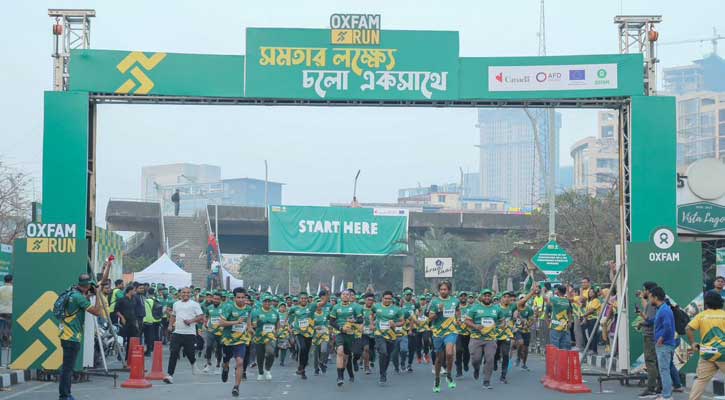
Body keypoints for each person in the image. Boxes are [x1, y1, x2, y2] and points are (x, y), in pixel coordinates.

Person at [59, 260, 110, 400]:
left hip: (66, 335)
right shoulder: (79, 298)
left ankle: (65, 394)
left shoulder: (73, 292)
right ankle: (64, 395)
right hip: (71, 337)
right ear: (86, 286)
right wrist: (98, 297)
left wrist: (108, 266)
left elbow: (102, 282)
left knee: (67, 368)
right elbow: (97, 311)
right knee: (67, 369)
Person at [686, 291, 725, 400]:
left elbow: (688, 328)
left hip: (707, 353)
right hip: (723, 353)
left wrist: (693, 343)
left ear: (706, 303)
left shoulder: (702, 315)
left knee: (701, 380)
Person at [164, 287, 204, 384]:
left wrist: (191, 321)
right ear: (180, 294)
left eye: (187, 292)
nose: (185, 294)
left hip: (189, 333)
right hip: (177, 332)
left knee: (189, 353)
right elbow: (173, 315)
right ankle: (170, 375)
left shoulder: (195, 304)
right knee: (174, 352)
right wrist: (170, 325)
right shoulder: (176, 304)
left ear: (191, 294)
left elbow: (201, 316)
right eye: (183, 292)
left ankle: (193, 364)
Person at [219, 287, 252, 397]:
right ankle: (225, 368)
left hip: (240, 340)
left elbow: (248, 322)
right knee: (226, 361)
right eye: (238, 297)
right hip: (228, 340)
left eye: (243, 297)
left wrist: (250, 328)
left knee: (239, 362)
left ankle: (236, 387)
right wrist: (236, 322)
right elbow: (221, 323)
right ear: (234, 298)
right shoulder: (228, 307)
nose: (241, 300)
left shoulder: (248, 309)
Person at [428, 280, 460, 393]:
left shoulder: (455, 300)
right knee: (439, 359)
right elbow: (430, 318)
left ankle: (449, 375)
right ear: (439, 290)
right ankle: (437, 379)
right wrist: (438, 311)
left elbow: (457, 312)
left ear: (449, 290)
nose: (443, 291)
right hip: (437, 332)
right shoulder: (434, 302)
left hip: (451, 331)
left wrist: (459, 320)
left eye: (445, 289)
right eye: (441, 289)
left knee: (450, 353)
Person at [466, 288, 500, 389]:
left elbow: (502, 321)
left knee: (490, 359)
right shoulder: (475, 308)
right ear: (481, 297)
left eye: (489, 295)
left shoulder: (496, 309)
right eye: (485, 295)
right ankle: (476, 369)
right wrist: (476, 326)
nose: (487, 297)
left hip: (490, 339)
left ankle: (486, 381)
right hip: (476, 338)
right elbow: (467, 321)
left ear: (491, 297)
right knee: (476, 359)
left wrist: (501, 325)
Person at [329, 289, 363, 386]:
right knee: (340, 352)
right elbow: (331, 321)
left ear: (350, 296)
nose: (345, 296)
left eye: (347, 294)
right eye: (343, 294)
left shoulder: (355, 307)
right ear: (341, 296)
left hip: (351, 333)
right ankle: (340, 377)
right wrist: (340, 328)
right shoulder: (335, 307)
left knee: (347, 357)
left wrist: (354, 320)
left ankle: (350, 373)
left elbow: (360, 320)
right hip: (339, 332)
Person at [370, 290, 404, 385]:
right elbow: (371, 315)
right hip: (379, 333)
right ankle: (382, 375)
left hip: (391, 335)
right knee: (383, 352)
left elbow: (402, 322)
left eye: (389, 299)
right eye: (386, 298)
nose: (387, 300)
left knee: (388, 355)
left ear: (392, 299)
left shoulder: (397, 309)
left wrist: (395, 324)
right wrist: (372, 324)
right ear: (382, 298)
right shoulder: (376, 306)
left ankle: (384, 372)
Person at [651, 286, 676, 400]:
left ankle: (667, 396)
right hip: (664, 344)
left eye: (651, 297)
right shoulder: (662, 309)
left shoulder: (664, 310)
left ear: (655, 297)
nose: (650, 299)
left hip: (664, 345)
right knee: (664, 370)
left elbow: (668, 327)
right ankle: (666, 394)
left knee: (664, 370)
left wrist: (661, 338)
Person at [638, 281, 661, 398]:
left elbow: (651, 321)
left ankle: (651, 387)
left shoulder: (653, 304)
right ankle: (659, 386)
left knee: (650, 361)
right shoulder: (653, 303)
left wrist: (642, 323)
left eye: (644, 290)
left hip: (650, 335)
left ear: (648, 290)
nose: (643, 292)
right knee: (656, 361)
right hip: (654, 335)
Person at [250, 294, 279, 381]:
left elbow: (277, 323)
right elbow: (253, 325)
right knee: (260, 355)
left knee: (271, 353)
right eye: (265, 301)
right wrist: (256, 324)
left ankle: (268, 369)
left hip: (270, 337)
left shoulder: (275, 312)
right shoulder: (257, 312)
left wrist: (277, 331)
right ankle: (260, 372)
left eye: (269, 301)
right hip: (259, 337)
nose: (267, 303)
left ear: (271, 303)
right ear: (262, 302)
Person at [288, 291, 316, 379]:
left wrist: (327, 292)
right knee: (302, 348)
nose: (303, 300)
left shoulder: (311, 307)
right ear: (299, 300)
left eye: (305, 298)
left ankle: (303, 369)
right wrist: (288, 326)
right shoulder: (295, 308)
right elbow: (287, 314)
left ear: (307, 299)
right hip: (298, 332)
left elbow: (323, 303)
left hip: (309, 333)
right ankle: (300, 365)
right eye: (302, 298)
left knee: (306, 352)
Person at [116, 286, 140, 361]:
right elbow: (116, 311)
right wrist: (122, 317)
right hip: (124, 322)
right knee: (122, 339)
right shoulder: (121, 300)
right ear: (129, 291)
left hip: (132, 322)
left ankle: (128, 356)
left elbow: (135, 311)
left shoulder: (134, 300)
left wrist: (136, 322)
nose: (135, 292)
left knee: (132, 339)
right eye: (134, 290)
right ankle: (120, 354)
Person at [203, 292, 224, 373]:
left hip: (221, 331)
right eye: (214, 298)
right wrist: (205, 322)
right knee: (208, 346)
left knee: (219, 348)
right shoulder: (209, 307)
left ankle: (218, 365)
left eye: (217, 299)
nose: (215, 300)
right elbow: (206, 315)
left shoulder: (224, 308)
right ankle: (208, 364)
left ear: (220, 300)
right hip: (210, 330)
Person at [548, 285, 572, 350]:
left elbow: (545, 298)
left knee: (555, 347)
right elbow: (569, 312)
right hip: (564, 326)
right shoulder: (567, 301)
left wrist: (542, 291)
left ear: (558, 291)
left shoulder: (555, 299)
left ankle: (556, 360)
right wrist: (569, 322)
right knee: (563, 347)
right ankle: (562, 360)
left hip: (555, 326)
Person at [142, 287, 162, 356]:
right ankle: (156, 349)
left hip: (149, 320)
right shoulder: (157, 299)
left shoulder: (146, 301)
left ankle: (149, 350)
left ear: (148, 293)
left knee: (149, 336)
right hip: (157, 319)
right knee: (156, 335)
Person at [0, 274, 13, 354]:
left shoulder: (0, 288)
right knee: (8, 328)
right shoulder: (13, 289)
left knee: (1, 327)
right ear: (11, 280)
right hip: (10, 311)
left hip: (1, 311)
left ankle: (2, 342)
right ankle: (7, 344)